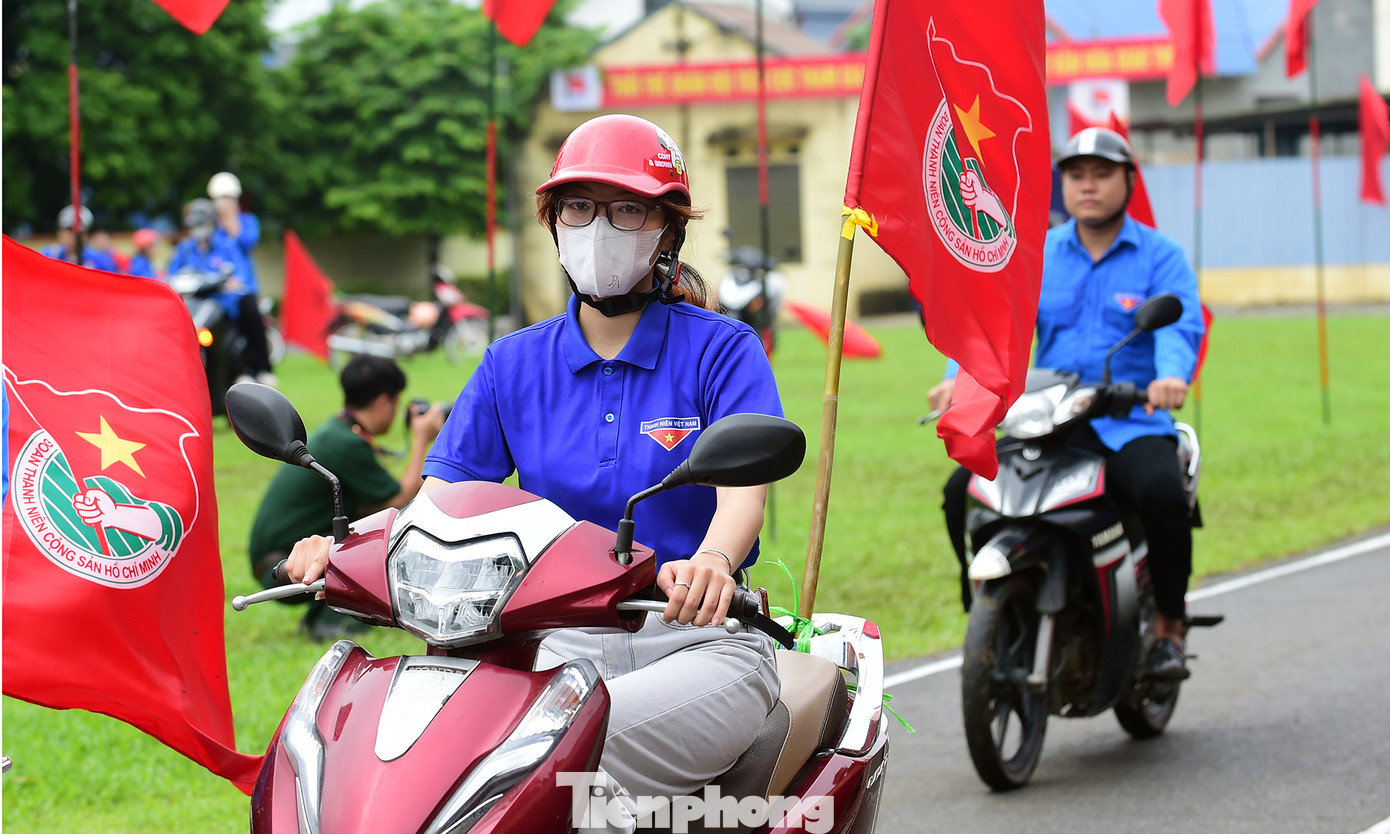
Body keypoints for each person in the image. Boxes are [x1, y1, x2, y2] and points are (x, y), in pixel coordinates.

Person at [283, 114, 784, 821]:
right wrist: (344, 545)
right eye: (579, 207)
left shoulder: (723, 350)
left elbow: (742, 497)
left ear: (667, 230)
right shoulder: (511, 364)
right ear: (554, 223)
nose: (598, 227)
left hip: (700, 642)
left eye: (626, 208)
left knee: (548, 759)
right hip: (551, 645)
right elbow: (436, 506)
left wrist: (711, 562)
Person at [932, 127, 1206, 680]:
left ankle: (1169, 627)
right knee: (961, 490)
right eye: (1077, 175)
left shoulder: (1160, 256)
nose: (1089, 186)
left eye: (1103, 174)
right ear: (1063, 184)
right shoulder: (1037, 252)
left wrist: (1170, 377)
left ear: (1128, 181)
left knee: (1161, 493)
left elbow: (1181, 329)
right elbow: (995, 327)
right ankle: (985, 601)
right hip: (1053, 420)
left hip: (1130, 420)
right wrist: (957, 380)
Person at [248, 355, 444, 640]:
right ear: (382, 402)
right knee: (379, 542)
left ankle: (325, 613)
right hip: (284, 566)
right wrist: (421, 439)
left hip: (283, 559)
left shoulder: (338, 432)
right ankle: (335, 621)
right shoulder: (345, 443)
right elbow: (400, 499)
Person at [166, 198, 275, 386]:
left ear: (211, 222)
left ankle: (259, 368)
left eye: (201, 223)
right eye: (194, 225)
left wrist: (232, 280)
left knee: (248, 310)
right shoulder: (186, 248)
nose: (198, 228)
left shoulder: (226, 245)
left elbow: (240, 273)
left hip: (224, 303)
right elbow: (172, 274)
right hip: (196, 303)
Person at [207, 172, 277, 385]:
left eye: (228, 199)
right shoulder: (210, 228)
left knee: (252, 315)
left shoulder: (247, 221)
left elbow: (248, 243)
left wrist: (230, 220)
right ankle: (235, 371)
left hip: (244, 288)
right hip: (220, 292)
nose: (223, 204)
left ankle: (263, 368)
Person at [41, 205, 119, 272]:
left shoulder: (99, 259)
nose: (74, 236)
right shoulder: (49, 255)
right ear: (60, 232)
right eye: (69, 230)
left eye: (79, 232)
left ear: (86, 234)